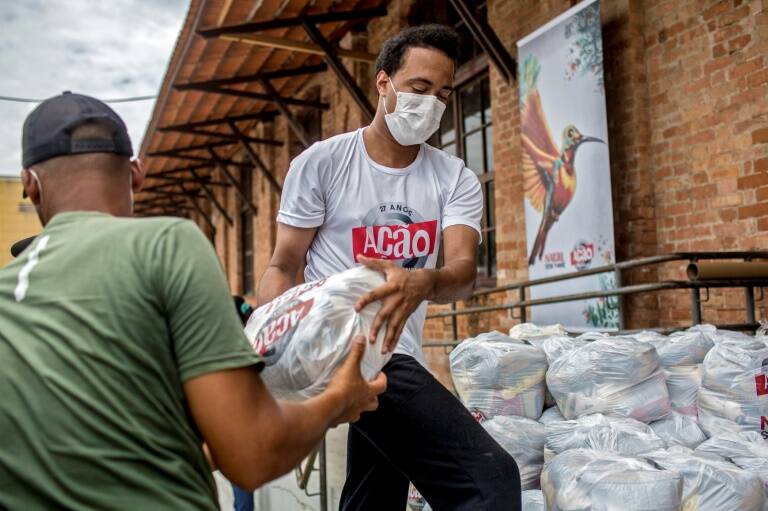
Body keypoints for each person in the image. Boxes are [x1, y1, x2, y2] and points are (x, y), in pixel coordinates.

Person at [0, 92, 386, 510]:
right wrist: (336, 401)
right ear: (135, 174)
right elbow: (253, 451)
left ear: (30, 186)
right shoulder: (167, 244)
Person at [258, 24, 521, 511]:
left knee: (374, 494)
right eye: (420, 89)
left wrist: (425, 282)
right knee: (489, 478)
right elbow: (283, 262)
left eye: (444, 94)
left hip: (398, 356)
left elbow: (462, 270)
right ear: (383, 83)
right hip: (344, 347)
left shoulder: (454, 178)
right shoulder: (324, 163)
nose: (433, 104)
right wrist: (271, 346)